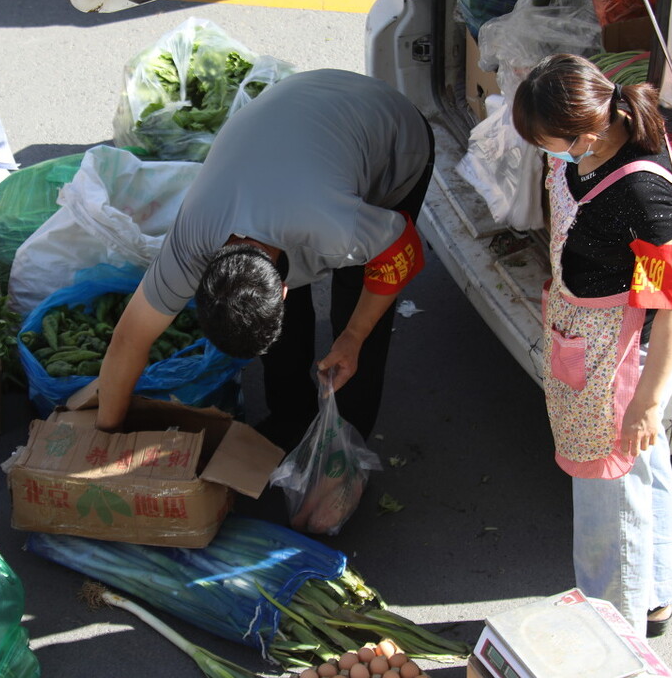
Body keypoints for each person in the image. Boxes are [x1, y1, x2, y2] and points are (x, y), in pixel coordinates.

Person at [94, 68, 434, 452]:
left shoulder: (336, 226)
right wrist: (105, 440)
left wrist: (353, 337)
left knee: (355, 307)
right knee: (273, 325)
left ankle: (344, 452)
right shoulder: (190, 240)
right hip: (300, 118)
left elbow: (398, 248)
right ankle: (291, 416)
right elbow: (127, 341)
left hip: (392, 136)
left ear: (285, 290)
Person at [510, 53, 672, 639]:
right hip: (578, 333)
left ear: (590, 131)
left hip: (615, 357)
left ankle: (613, 631)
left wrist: (647, 399)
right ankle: (655, 594)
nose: (551, 157)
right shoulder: (591, 140)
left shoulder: (643, 193)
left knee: (609, 500)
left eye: (554, 145)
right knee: (641, 473)